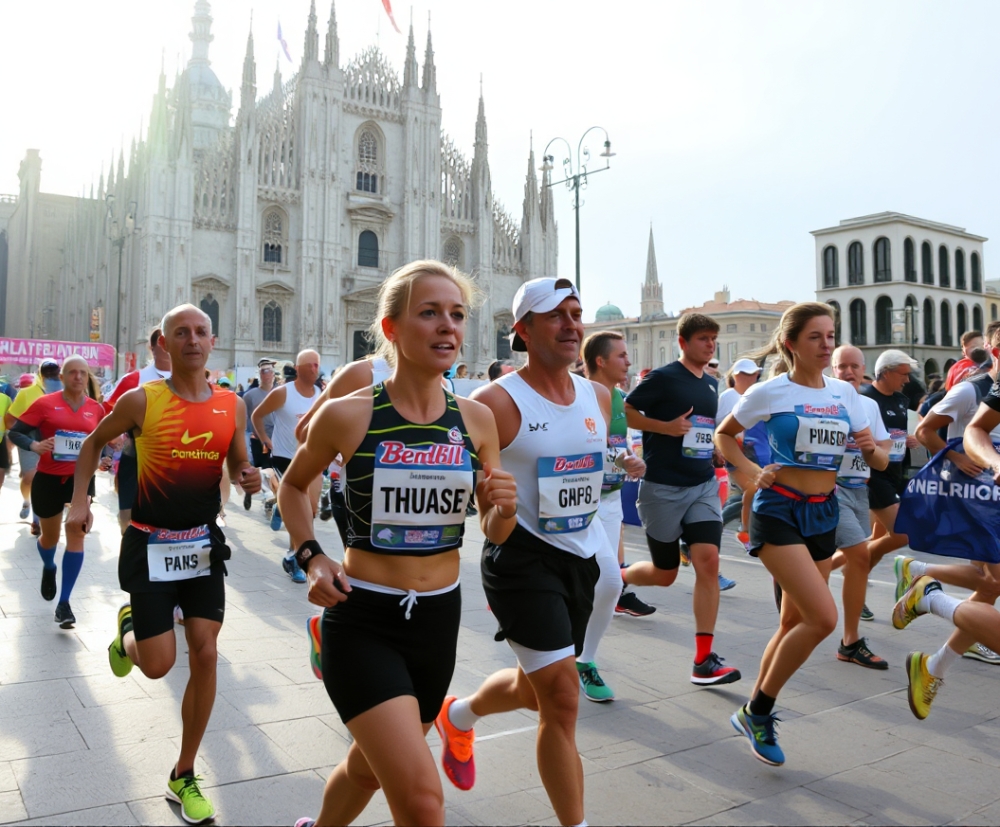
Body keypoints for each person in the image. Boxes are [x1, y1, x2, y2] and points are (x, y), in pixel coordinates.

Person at [280, 261, 517, 827]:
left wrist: (502, 506)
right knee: (421, 800)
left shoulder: (478, 420)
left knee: (367, 766)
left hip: (438, 620)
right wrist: (312, 556)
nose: (447, 327)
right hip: (362, 615)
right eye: (429, 313)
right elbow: (292, 485)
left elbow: (496, 532)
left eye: (457, 315)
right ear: (390, 329)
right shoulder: (346, 415)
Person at [66, 304, 261, 825]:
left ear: (212, 340)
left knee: (207, 652)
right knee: (157, 665)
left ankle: (183, 772)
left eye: (200, 331)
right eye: (181, 333)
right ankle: (129, 630)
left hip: (201, 546)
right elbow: (90, 446)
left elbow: (239, 457)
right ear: (165, 344)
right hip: (149, 547)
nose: (192, 340)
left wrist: (248, 474)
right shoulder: (141, 400)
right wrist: (80, 503)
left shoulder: (231, 404)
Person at [441, 277, 610, 827]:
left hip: (579, 559)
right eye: (555, 314)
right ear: (523, 330)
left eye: (576, 312)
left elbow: (585, 475)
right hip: (522, 560)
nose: (571, 323)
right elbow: (483, 515)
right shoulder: (495, 404)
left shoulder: (596, 395)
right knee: (562, 701)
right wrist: (497, 507)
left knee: (538, 689)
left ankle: (460, 714)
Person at [716, 302, 877, 766]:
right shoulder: (769, 392)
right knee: (822, 619)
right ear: (791, 343)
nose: (826, 345)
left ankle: (753, 708)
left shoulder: (846, 396)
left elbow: (875, 456)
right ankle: (759, 710)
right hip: (780, 510)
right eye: (816, 337)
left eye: (831, 336)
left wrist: (872, 449)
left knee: (792, 622)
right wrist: (748, 474)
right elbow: (727, 437)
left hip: (824, 512)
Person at [621, 313, 742, 688]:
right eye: (703, 338)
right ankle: (615, 582)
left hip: (702, 484)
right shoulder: (662, 377)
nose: (710, 345)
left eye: (713, 339)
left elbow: (702, 432)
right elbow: (626, 411)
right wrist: (665, 428)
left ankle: (703, 659)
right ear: (683, 342)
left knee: (708, 561)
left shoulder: (710, 383)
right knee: (666, 572)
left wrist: (713, 453)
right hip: (662, 487)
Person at [576, 331, 650, 702]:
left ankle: (583, 660)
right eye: (621, 356)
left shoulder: (619, 397)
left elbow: (616, 446)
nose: (628, 362)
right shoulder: (575, 393)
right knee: (597, 582)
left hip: (609, 499)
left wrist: (630, 461)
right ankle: (569, 656)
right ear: (601, 361)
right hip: (575, 503)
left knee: (607, 583)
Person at [7, 356, 107, 628]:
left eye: (83, 373)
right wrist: (34, 446)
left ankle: (64, 604)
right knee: (49, 539)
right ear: (61, 378)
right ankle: (49, 566)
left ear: (88, 378)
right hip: (49, 479)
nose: (78, 377)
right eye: (72, 372)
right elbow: (15, 433)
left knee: (76, 533)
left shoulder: (96, 409)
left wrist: (107, 456)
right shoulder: (44, 404)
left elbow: (101, 441)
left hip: (81, 480)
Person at [827, 346, 892, 668]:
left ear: (863, 369)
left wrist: (871, 450)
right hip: (830, 491)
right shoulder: (825, 400)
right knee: (860, 555)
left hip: (859, 491)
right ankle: (850, 641)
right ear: (833, 369)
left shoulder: (868, 405)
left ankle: (805, 579)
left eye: (854, 366)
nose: (848, 372)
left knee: (854, 560)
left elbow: (883, 454)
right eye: (842, 367)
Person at [251, 350, 323, 582]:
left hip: (311, 457)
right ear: (299, 368)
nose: (314, 369)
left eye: (317, 365)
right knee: (301, 512)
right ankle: (295, 557)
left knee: (311, 510)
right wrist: (265, 439)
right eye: (310, 365)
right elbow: (257, 415)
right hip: (285, 457)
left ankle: (282, 507)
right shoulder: (283, 393)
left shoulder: (320, 393)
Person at [861, 349, 920, 617]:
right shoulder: (865, 398)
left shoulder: (900, 399)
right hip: (874, 476)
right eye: (903, 374)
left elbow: (894, 434)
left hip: (896, 472)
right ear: (886, 373)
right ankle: (850, 560)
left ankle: (856, 585)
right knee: (901, 534)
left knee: (875, 543)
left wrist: (904, 440)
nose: (907, 380)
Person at [103, 329, 172, 533]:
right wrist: (112, 435)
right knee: (128, 518)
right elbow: (107, 410)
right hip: (135, 456)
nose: (168, 347)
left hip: (174, 460)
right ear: (152, 348)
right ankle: (131, 547)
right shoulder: (134, 380)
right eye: (162, 342)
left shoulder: (190, 381)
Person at [6, 359, 63, 534]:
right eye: (47, 372)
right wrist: (26, 431)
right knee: (30, 477)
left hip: (55, 443)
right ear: (40, 374)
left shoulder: (65, 392)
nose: (51, 376)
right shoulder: (26, 393)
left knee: (47, 481)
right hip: (30, 442)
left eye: (54, 372)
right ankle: (26, 500)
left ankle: (38, 520)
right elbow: (9, 420)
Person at [716, 358, 765, 550]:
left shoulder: (751, 395)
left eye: (754, 373)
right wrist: (719, 448)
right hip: (735, 451)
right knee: (753, 489)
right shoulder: (730, 395)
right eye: (747, 373)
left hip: (750, 452)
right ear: (736, 376)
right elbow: (718, 425)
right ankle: (745, 532)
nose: (753, 377)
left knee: (744, 496)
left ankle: (744, 531)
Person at [241, 358, 276, 507]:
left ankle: (270, 499)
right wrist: (249, 433)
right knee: (257, 467)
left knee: (272, 468)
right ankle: (250, 491)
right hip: (257, 438)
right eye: (263, 372)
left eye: (269, 372)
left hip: (275, 437)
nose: (266, 375)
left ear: (274, 375)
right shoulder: (250, 395)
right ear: (259, 375)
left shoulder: (279, 392)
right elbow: (245, 416)